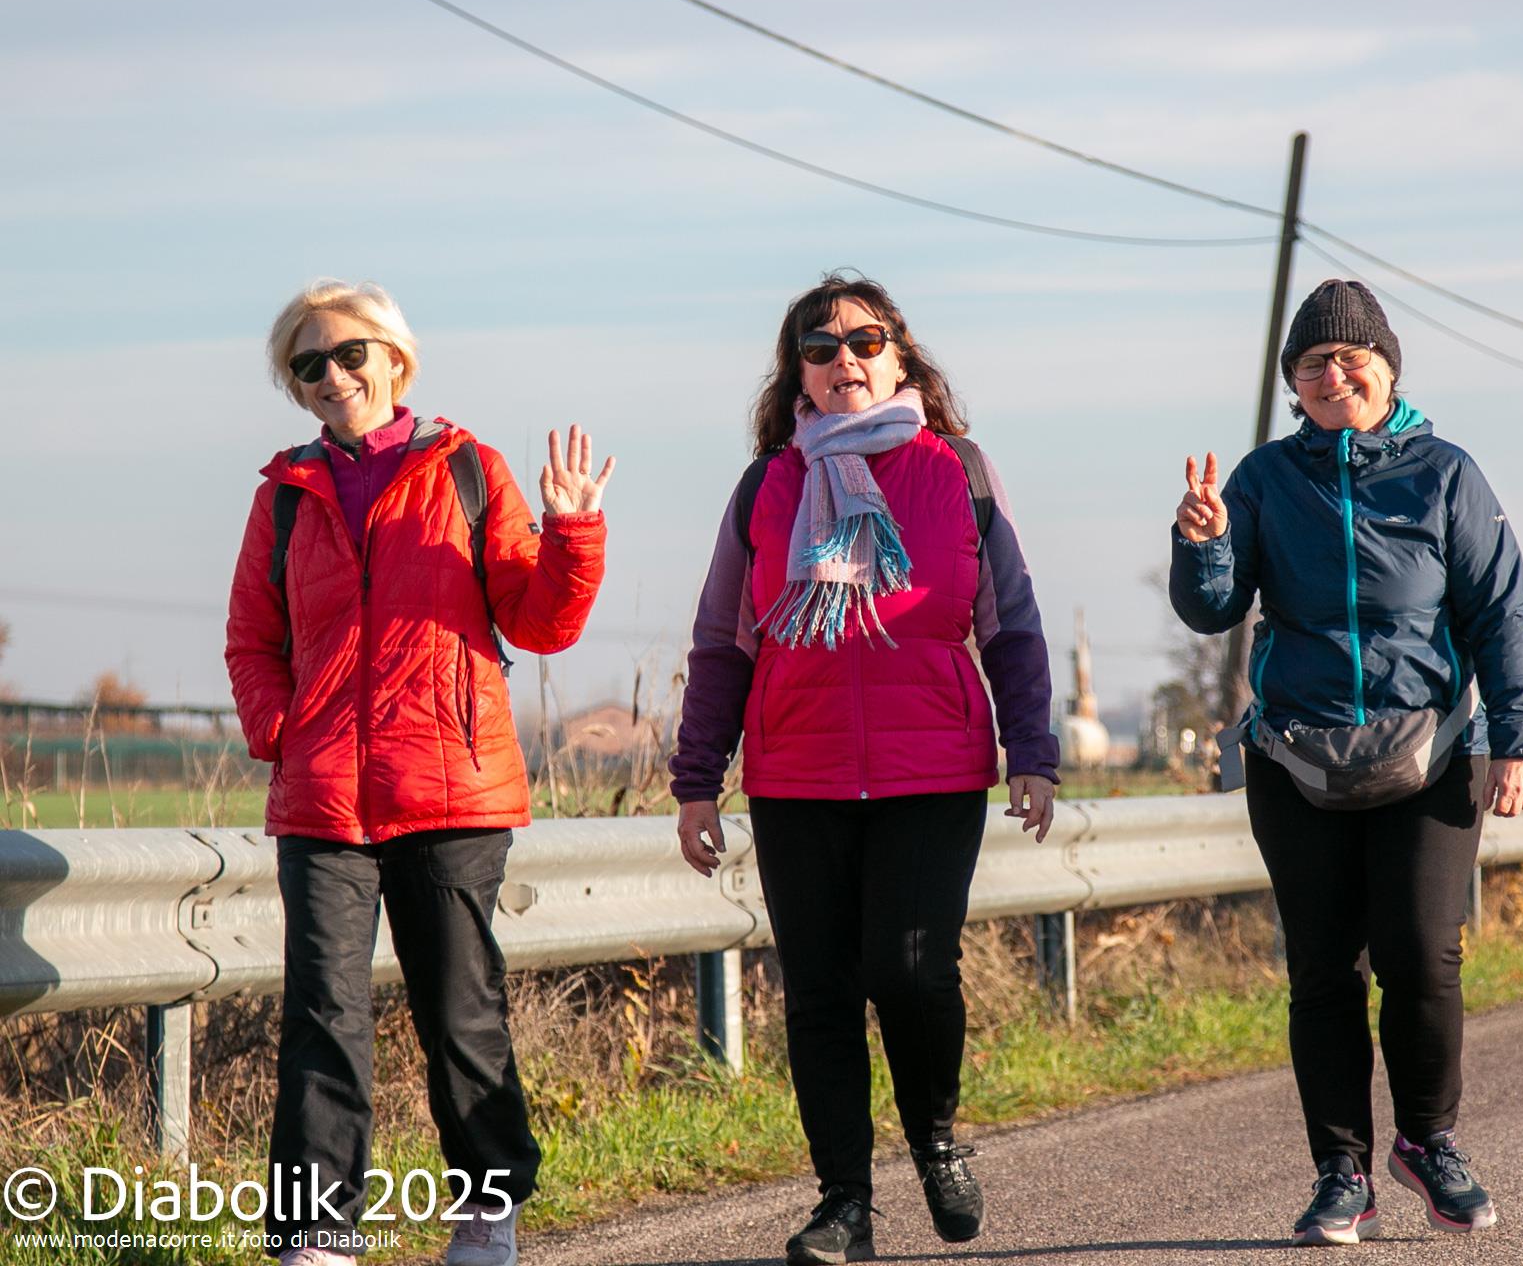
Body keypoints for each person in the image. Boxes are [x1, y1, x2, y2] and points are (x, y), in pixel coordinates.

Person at [670, 273, 1059, 1266]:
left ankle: (936, 1139)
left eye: (864, 340)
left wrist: (1033, 750)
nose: (843, 357)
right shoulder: (767, 486)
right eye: (819, 345)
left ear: (898, 357)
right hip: (796, 772)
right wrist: (696, 777)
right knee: (821, 993)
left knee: (912, 972)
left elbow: (1009, 621)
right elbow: (724, 640)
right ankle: (844, 1202)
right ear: (797, 373)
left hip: (932, 766)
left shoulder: (958, 470)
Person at [226, 279, 613, 1266]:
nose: (331, 375)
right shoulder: (282, 496)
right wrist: (284, 732)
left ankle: (488, 1208)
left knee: (460, 1013)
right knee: (323, 1019)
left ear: (395, 358)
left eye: (348, 352)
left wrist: (572, 535)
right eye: (307, 364)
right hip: (323, 799)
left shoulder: (469, 469)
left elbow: (538, 622)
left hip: (450, 788)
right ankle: (316, 1231)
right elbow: (252, 640)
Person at [1169, 279, 1523, 1245]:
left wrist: (1518, 738)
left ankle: (1427, 1142)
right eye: (1313, 363)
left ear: (1387, 369)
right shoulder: (1263, 478)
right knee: (1323, 972)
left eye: (1350, 358)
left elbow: (1500, 612)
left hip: (1431, 755)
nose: (1333, 374)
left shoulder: (1446, 475)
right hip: (1296, 758)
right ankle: (1342, 1174)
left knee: (1422, 956)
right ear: (1293, 382)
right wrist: (1204, 544)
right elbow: (1213, 609)